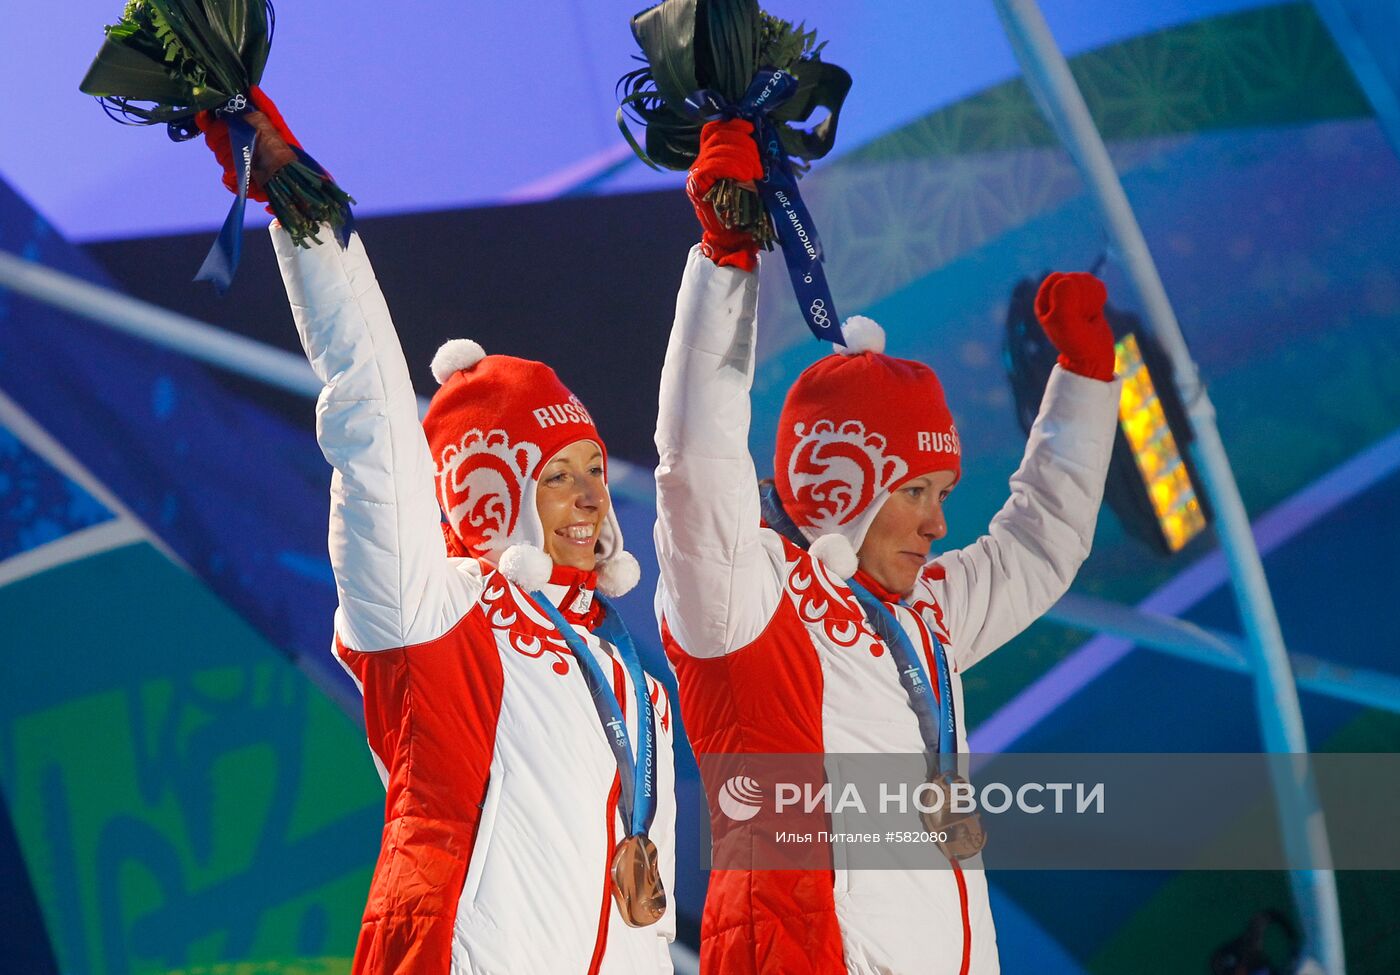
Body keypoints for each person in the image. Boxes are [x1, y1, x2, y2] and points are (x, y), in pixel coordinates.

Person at [197, 95, 678, 974]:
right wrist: (302, 211)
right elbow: (371, 418)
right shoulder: (438, 613)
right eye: (553, 474)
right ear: (490, 492)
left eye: (593, 470)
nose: (586, 500)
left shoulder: (625, 661)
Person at [652, 118, 1123, 974]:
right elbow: (696, 468)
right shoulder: (752, 604)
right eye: (915, 492)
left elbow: (1039, 545)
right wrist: (727, 263)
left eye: (941, 495)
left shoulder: (923, 614)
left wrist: (1085, 385)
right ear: (844, 485)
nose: (940, 525)